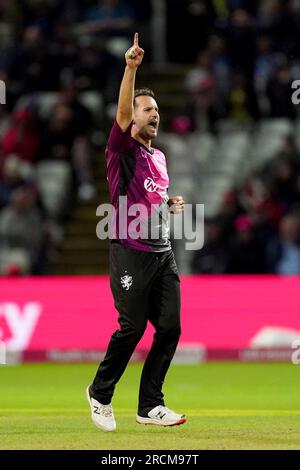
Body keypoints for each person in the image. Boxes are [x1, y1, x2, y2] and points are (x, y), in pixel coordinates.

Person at [86, 33, 186, 431]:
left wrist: (168, 204)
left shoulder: (158, 156)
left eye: (157, 109)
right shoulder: (121, 148)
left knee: (171, 327)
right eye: (147, 110)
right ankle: (99, 393)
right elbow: (123, 115)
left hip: (161, 252)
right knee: (132, 328)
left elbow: (150, 197)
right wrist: (130, 68)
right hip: (129, 249)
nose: (154, 115)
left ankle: (150, 406)